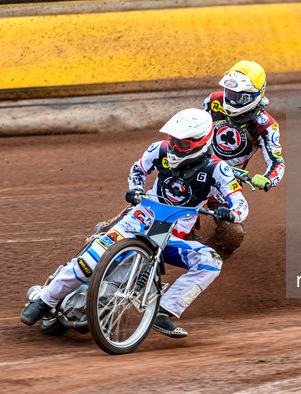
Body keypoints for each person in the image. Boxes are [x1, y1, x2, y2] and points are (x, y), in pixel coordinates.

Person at [20, 108, 249, 338]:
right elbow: (138, 169)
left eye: (183, 144)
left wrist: (230, 214)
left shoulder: (218, 169)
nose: (175, 147)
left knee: (210, 261)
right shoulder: (158, 149)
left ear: (201, 142)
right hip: (139, 220)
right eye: (173, 140)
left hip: (170, 237)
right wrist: (136, 189)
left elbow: (241, 204)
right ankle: (45, 300)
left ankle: (164, 311)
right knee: (88, 262)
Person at [201, 60, 285, 258]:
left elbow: (277, 163)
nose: (232, 100)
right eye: (230, 94)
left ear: (256, 96)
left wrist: (267, 179)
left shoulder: (265, 125)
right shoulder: (214, 101)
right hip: (196, 166)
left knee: (232, 234)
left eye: (240, 97)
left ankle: (206, 260)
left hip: (224, 182)